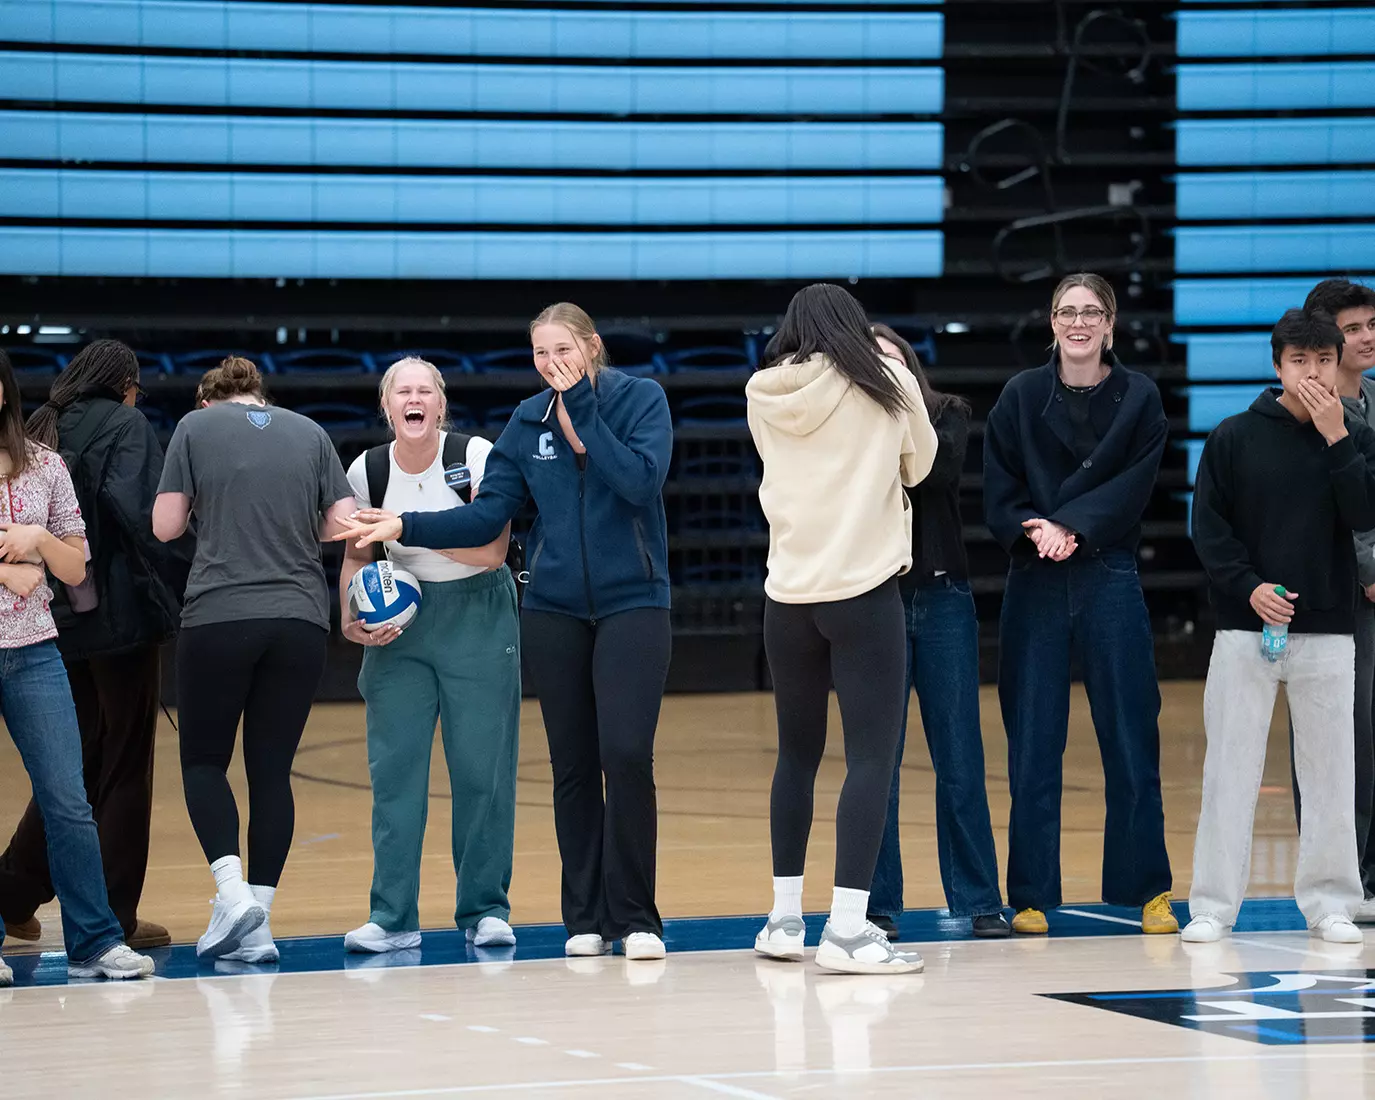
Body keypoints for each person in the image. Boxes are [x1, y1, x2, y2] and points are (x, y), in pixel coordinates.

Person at [336, 304, 674, 961]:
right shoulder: (527, 421)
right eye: (541, 354)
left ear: (591, 347)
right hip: (553, 610)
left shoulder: (640, 400)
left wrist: (580, 406)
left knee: (626, 755)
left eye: (563, 350)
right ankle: (583, 919)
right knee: (572, 766)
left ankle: (636, 919)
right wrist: (405, 526)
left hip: (635, 603)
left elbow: (638, 482)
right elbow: (486, 517)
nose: (552, 363)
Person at [747, 284, 937, 975]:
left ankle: (782, 920)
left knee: (795, 756)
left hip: (787, 594)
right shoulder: (884, 379)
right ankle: (849, 929)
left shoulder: (762, 389)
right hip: (862, 591)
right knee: (869, 759)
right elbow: (921, 463)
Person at [983, 273, 1175, 936]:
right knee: (1033, 740)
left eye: (1091, 311)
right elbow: (997, 489)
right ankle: (1031, 894)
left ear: (1110, 322)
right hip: (1035, 575)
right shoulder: (1019, 395)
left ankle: (1146, 888)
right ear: (1051, 321)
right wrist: (1035, 528)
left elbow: (1133, 488)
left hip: (1107, 572)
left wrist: (1072, 526)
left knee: (1129, 735)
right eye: (1068, 311)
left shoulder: (1140, 397)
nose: (1079, 322)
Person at [153, 357, 357, 962]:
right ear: (260, 396)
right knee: (271, 772)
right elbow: (342, 524)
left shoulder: (195, 428)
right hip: (298, 619)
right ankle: (258, 926)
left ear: (208, 400)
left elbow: (165, 526)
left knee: (205, 762)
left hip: (220, 614)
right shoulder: (311, 432)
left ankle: (231, 891)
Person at [1184, 308, 1373, 944]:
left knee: (1329, 772)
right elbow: (1210, 530)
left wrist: (1337, 438)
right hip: (1246, 628)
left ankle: (1332, 904)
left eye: (1324, 360)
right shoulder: (1234, 437)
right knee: (1229, 768)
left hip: (1328, 630)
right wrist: (1249, 588)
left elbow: (1364, 512)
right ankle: (1212, 906)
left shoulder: (1354, 436)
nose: (1313, 373)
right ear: (1277, 366)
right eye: (1300, 361)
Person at [0, 340, 191, 953]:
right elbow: (147, 520)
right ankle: (114, 915)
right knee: (125, 761)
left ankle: (12, 894)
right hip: (118, 621)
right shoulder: (127, 423)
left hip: (51, 620)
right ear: (127, 384)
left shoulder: (40, 426)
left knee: (73, 767)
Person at [339, 357, 522, 954]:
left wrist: (404, 531)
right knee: (395, 775)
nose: (413, 400)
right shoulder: (366, 470)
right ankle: (392, 917)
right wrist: (349, 616)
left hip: (477, 615)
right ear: (387, 406)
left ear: (440, 405)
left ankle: (484, 908)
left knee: (480, 770)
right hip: (399, 628)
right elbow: (356, 555)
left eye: (425, 391)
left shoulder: (474, 457)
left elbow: (492, 552)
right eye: (402, 392)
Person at [865, 324, 1009, 941]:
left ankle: (979, 900)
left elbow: (930, 475)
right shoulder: (849, 429)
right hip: (877, 601)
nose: (884, 370)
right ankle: (875, 907)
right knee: (879, 763)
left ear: (910, 364)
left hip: (944, 596)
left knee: (960, 757)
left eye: (892, 359)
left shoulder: (948, 414)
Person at [1296, 279, 1375, 923]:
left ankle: (1367, 872)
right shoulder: (1295, 414)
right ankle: (1333, 873)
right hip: (1335, 591)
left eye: (1372, 323)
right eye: (1352, 329)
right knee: (1341, 734)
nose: (1367, 337)